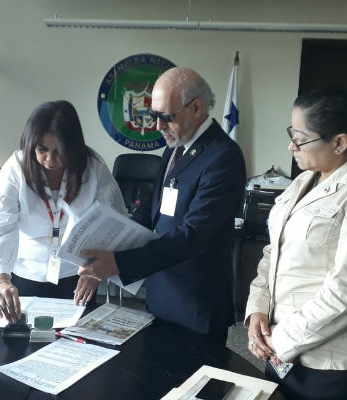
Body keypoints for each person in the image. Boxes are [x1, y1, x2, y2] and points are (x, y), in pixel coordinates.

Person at [245, 88, 347, 400]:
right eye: (292, 134)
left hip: (333, 363)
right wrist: (258, 309)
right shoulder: (306, 180)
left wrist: (282, 339)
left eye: (301, 138)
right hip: (280, 346)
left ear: (340, 142)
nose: (291, 146)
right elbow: (273, 251)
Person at [77, 67, 246, 341]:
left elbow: (193, 236)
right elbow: (151, 209)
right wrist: (108, 244)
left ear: (196, 108)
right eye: (154, 115)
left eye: (166, 117)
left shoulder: (222, 156)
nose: (157, 126)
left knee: (195, 381)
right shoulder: (174, 147)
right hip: (161, 293)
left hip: (196, 302)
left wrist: (120, 263)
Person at [0, 100, 125, 323]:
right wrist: (1, 280)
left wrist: (95, 270)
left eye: (59, 151)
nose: (50, 160)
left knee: (76, 347)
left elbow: (112, 224)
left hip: (78, 277)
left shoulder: (93, 169)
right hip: (26, 274)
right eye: (42, 150)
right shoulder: (16, 168)